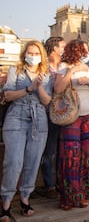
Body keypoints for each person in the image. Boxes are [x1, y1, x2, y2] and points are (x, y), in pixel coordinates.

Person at [0, 41, 53, 220]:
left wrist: (38, 87)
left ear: (41, 56)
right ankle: (6, 202)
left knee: (32, 161)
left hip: (39, 119)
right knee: (13, 161)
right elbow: (7, 95)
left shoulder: (47, 74)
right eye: (29, 52)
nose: (32, 56)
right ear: (24, 54)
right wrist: (28, 88)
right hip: (17, 116)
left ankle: (25, 199)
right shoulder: (16, 70)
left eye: (36, 53)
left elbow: (47, 101)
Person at [54, 40, 89, 210]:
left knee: (87, 156)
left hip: (88, 116)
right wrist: (72, 71)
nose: (84, 53)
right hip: (70, 117)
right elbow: (58, 89)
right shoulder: (63, 67)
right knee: (70, 157)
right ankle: (67, 197)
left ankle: (83, 194)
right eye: (82, 50)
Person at [40, 36, 66, 199]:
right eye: (62, 46)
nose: (64, 49)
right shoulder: (45, 67)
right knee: (49, 150)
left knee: (62, 149)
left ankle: (60, 182)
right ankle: (50, 185)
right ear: (55, 48)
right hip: (48, 113)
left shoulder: (62, 66)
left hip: (64, 113)